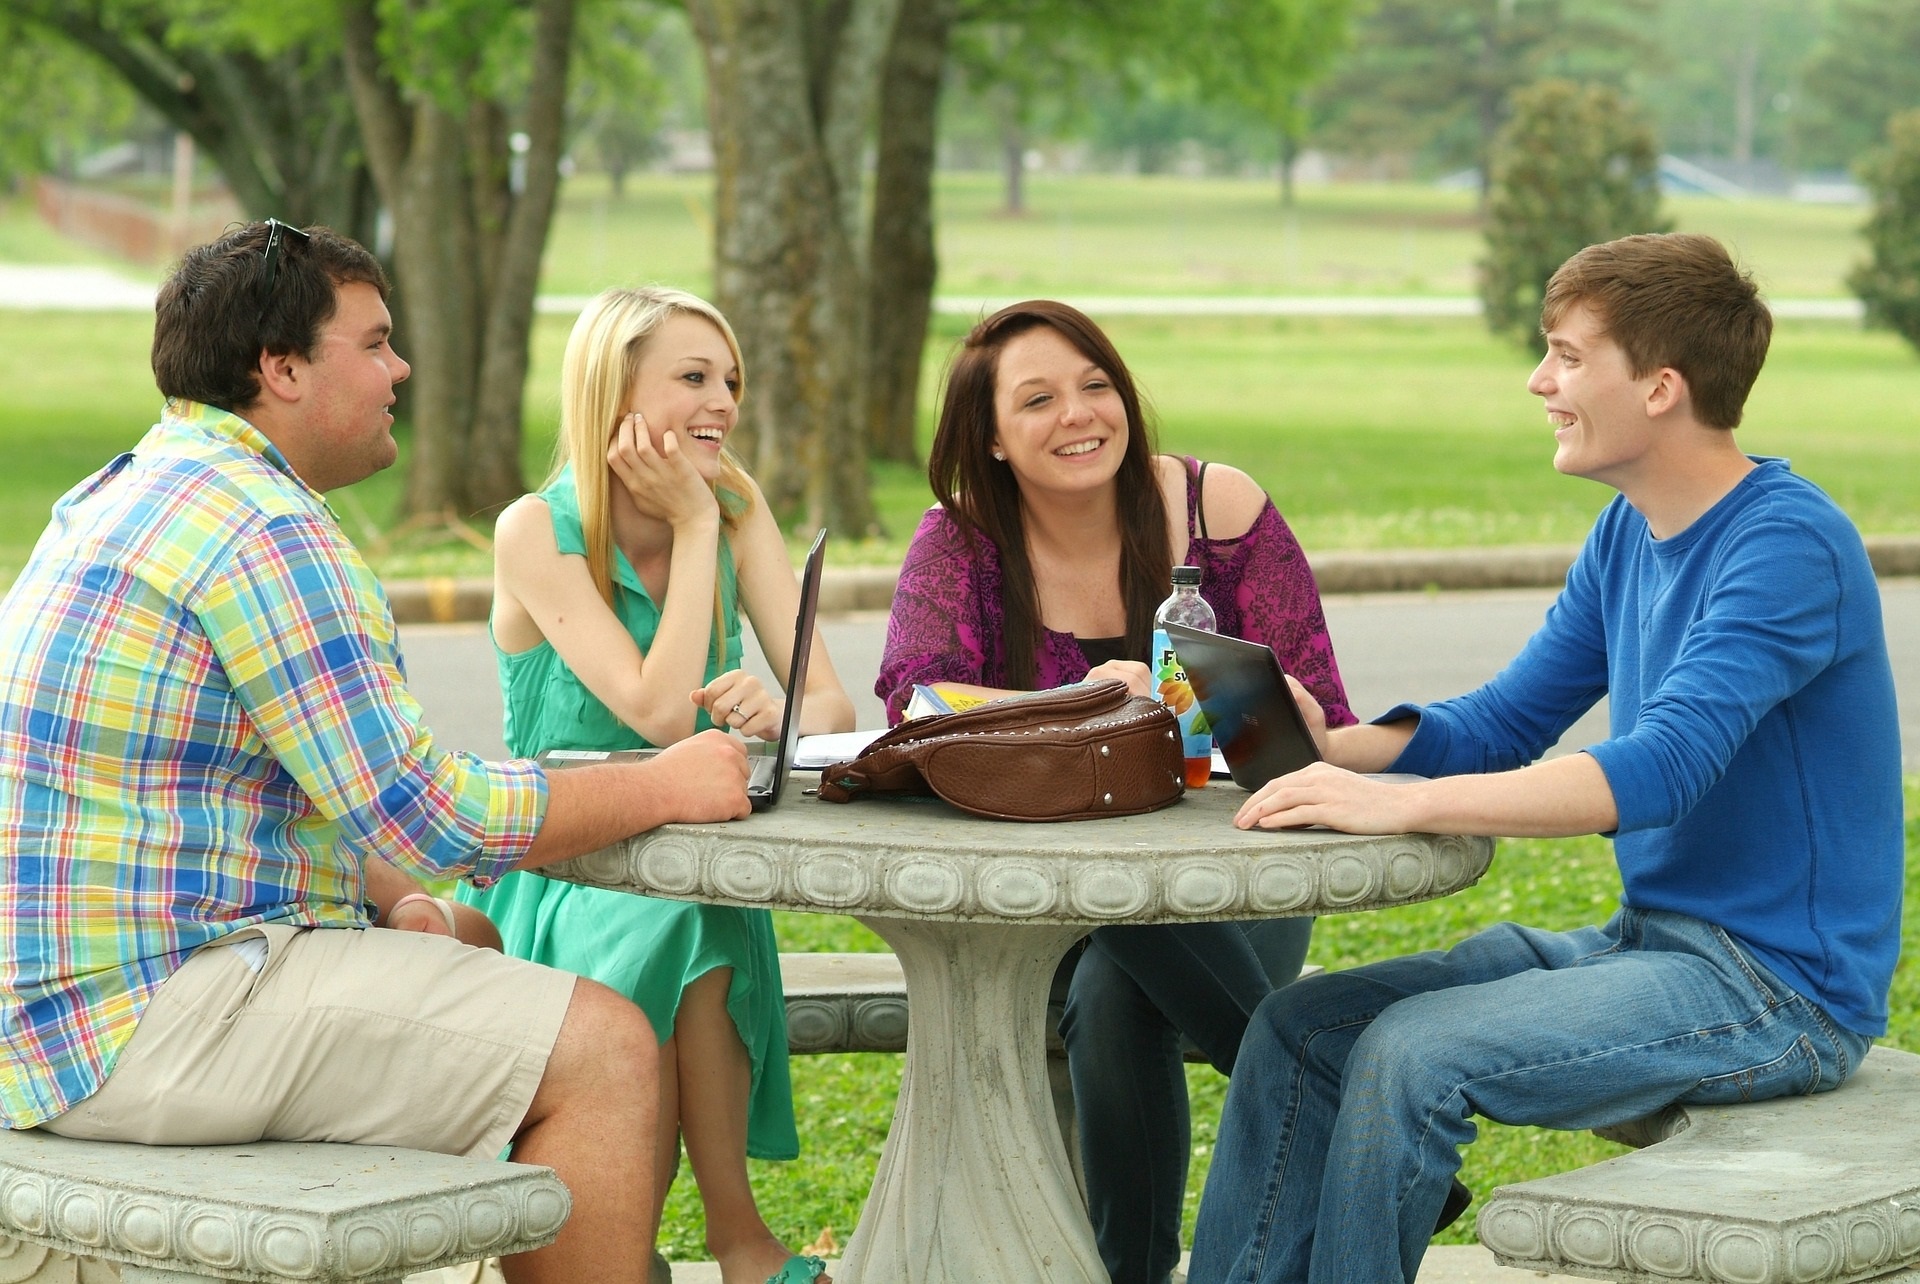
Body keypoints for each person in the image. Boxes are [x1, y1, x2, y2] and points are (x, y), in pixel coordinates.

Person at [0, 222, 760, 1284]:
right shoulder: (262, 529)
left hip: (54, 1011)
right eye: (375, 342)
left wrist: (396, 897)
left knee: (477, 942)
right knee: (605, 1045)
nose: (401, 368)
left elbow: (265, 788)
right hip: (141, 1026)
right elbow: (430, 813)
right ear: (282, 368)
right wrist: (664, 783)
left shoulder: (122, 492)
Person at [1187, 232, 1904, 1284]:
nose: (1540, 381)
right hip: (1651, 945)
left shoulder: (1788, 546)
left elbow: (1660, 769)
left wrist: (1406, 808)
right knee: (1306, 1027)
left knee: (1410, 1054)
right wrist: (1339, 749)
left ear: (1659, 388)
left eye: (1566, 356)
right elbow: (1504, 718)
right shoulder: (1628, 532)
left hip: (1780, 993)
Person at [877, 299, 1355, 1284]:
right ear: (994, 438)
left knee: (1117, 981)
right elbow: (914, 707)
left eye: (1095, 385)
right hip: (1037, 899)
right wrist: (1082, 701)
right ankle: (1335, 1111)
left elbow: (1319, 724)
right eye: (1039, 399)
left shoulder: (1219, 510)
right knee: (1104, 959)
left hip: (1228, 885)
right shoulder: (959, 544)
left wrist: (1280, 704)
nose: (1079, 414)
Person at [454, 286, 855, 1284]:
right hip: (564, 872)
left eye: (730, 381)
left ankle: (717, 1244)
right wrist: (692, 531)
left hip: (687, 857)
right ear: (613, 388)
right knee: (686, 925)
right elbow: (663, 714)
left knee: (693, 916)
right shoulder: (535, 531)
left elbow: (832, 710)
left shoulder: (736, 498)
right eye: (693, 377)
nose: (722, 402)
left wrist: (776, 713)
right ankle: (732, 1246)